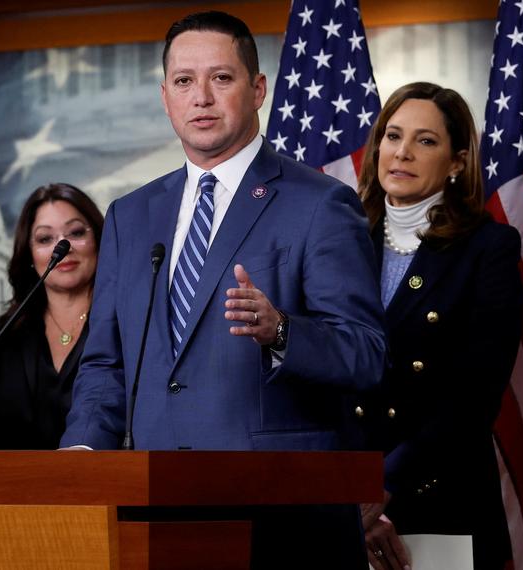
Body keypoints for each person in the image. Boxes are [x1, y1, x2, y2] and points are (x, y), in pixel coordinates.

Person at [58, 10, 386, 568]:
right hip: (155, 514)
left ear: (258, 89)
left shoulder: (319, 203)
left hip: (281, 518)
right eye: (184, 82)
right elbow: (104, 365)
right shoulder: (131, 216)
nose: (201, 97)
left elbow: (366, 354)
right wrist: (85, 452)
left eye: (221, 78)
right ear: (165, 97)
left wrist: (282, 331)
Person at [356, 82, 523, 570]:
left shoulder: (489, 248)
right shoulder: (342, 239)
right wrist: (355, 498)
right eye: (392, 136)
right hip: (348, 507)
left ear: (457, 162)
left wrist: (384, 485)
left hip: (441, 499)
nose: (402, 152)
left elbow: (474, 396)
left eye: (425, 141)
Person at [0, 183, 103, 450]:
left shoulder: (126, 328)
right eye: (45, 238)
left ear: (99, 241)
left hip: (107, 486)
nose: (63, 246)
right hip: (14, 488)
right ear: (29, 254)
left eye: (76, 232)